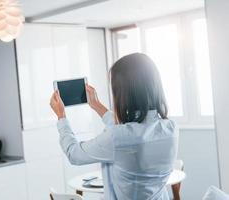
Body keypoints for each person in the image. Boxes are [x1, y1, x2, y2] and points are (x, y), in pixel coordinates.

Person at [50, 53, 178, 200]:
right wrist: (97, 106)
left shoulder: (118, 137)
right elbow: (131, 132)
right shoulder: (171, 128)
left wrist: (61, 116)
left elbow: (74, 154)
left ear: (124, 92)